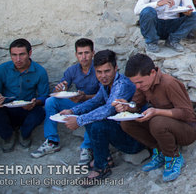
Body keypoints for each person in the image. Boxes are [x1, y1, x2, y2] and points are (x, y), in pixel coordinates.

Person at [61, 50, 144, 183]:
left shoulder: (121, 84)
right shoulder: (106, 84)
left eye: (107, 71)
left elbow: (108, 110)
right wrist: (72, 111)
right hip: (119, 132)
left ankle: (101, 168)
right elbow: (95, 101)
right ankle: (105, 158)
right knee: (90, 116)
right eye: (99, 72)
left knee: (98, 124)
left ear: (115, 68)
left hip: (134, 139)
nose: (103, 76)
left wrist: (79, 120)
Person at [117, 54, 196, 183]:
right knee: (126, 123)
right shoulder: (144, 86)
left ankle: (173, 157)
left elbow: (188, 114)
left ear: (152, 72)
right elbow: (135, 105)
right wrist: (125, 106)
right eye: (134, 83)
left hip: (187, 131)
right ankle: (161, 151)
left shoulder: (169, 84)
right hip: (163, 127)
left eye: (139, 82)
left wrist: (157, 111)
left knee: (157, 121)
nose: (137, 86)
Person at [31, 38, 99, 164]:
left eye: (87, 53)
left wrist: (86, 97)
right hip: (77, 102)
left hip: (93, 103)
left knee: (96, 108)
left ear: (93, 53)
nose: (83, 57)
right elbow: (64, 85)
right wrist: (61, 88)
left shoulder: (99, 70)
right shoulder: (72, 70)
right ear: (76, 55)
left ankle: (87, 147)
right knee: (51, 101)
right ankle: (52, 141)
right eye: (80, 53)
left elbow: (104, 96)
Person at [0, 39, 49, 152]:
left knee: (40, 112)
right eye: (14, 55)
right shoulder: (1, 69)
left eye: (22, 54)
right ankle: (7, 136)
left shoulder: (40, 71)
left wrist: (35, 102)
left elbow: (44, 97)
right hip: (6, 109)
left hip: (27, 108)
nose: (18, 59)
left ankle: (24, 134)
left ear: (29, 53)